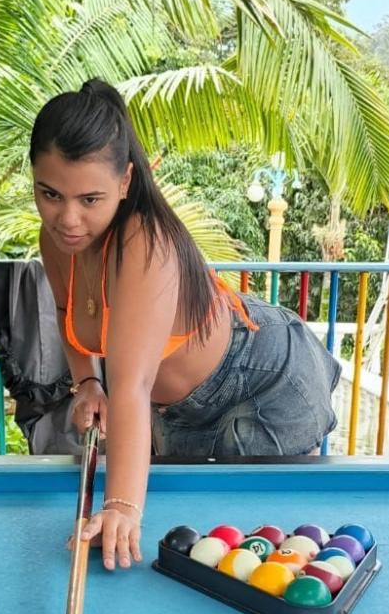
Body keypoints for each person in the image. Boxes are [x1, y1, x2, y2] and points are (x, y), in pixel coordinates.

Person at [33, 79, 340, 571]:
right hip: (178, 409)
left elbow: (131, 386)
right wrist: (87, 383)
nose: (67, 218)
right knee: (203, 557)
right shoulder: (55, 241)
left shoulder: (143, 242)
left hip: (261, 378)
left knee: (262, 562)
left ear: (125, 182)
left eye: (90, 199)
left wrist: (121, 507)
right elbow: (72, 314)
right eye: (50, 194)